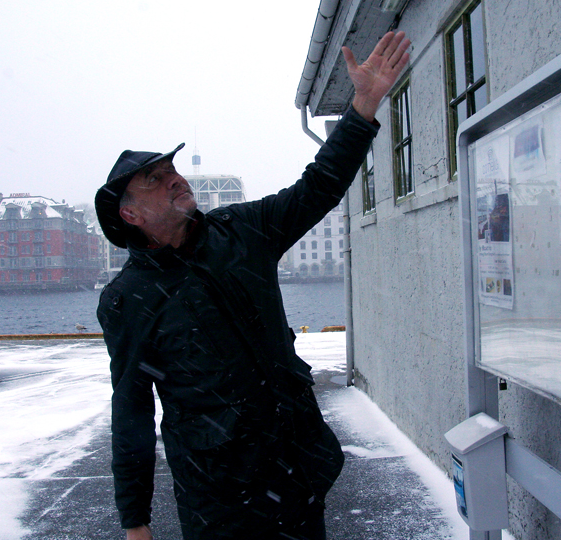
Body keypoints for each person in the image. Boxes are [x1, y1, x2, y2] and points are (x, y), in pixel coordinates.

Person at [95, 30, 410, 540]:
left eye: (173, 169)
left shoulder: (240, 233)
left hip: (298, 472)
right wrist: (136, 522)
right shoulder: (126, 300)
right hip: (218, 500)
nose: (175, 178)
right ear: (129, 213)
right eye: (156, 179)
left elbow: (319, 187)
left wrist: (363, 108)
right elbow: (131, 410)